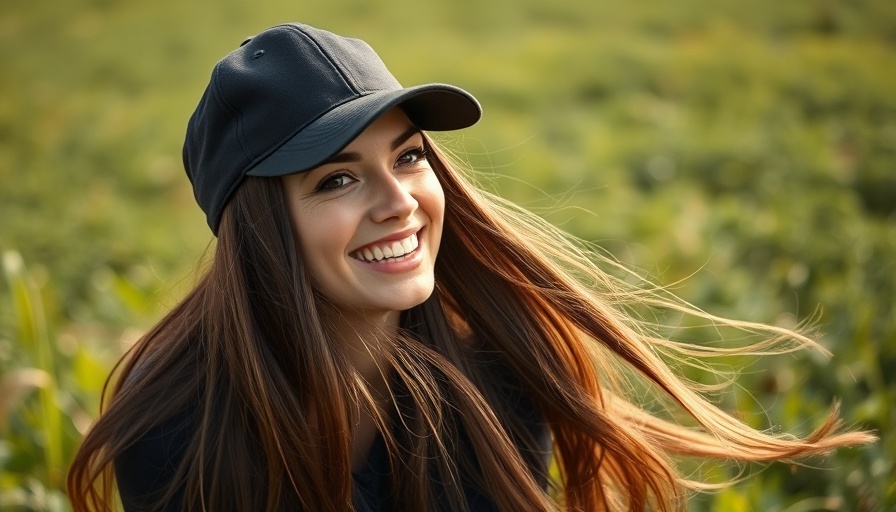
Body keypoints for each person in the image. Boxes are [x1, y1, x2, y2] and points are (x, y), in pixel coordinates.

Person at [66, 22, 873, 512]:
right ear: (261, 232)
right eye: (336, 179)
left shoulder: (495, 381)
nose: (399, 202)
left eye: (409, 156)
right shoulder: (178, 429)